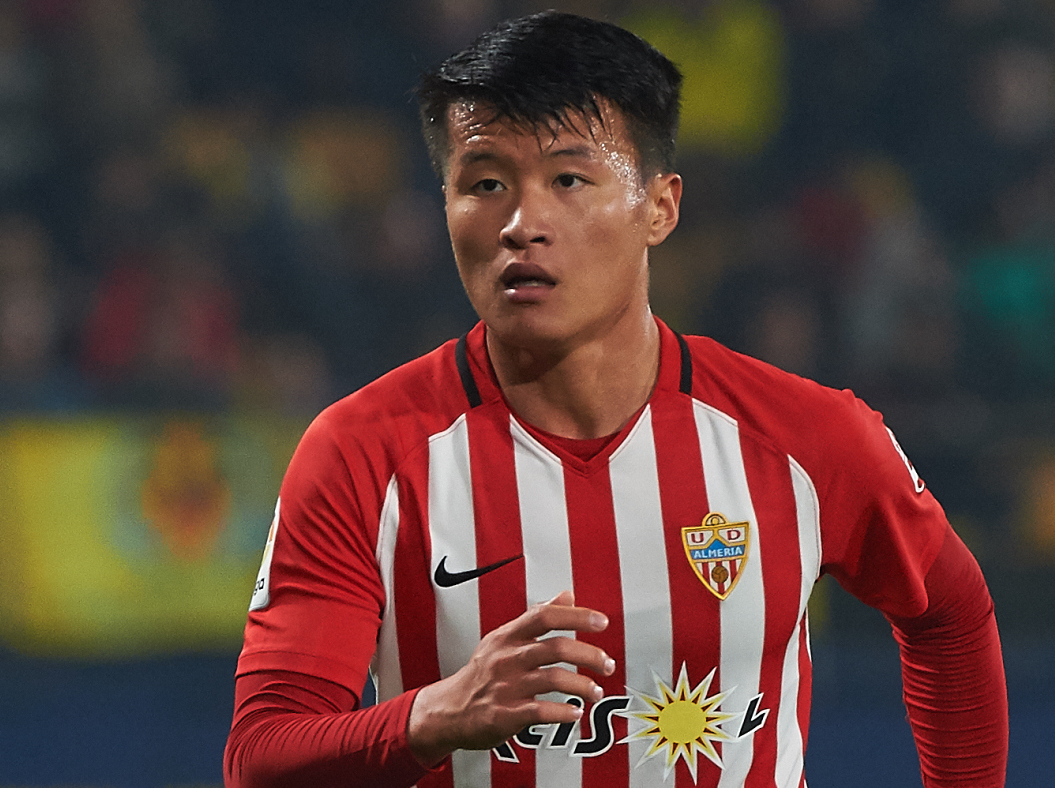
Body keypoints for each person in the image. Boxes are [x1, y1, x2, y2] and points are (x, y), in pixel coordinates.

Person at [224, 11, 1008, 788]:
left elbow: (952, 616)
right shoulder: (363, 455)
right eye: (485, 183)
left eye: (569, 180)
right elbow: (262, 758)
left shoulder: (806, 438)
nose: (522, 224)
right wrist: (432, 717)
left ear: (659, 207)